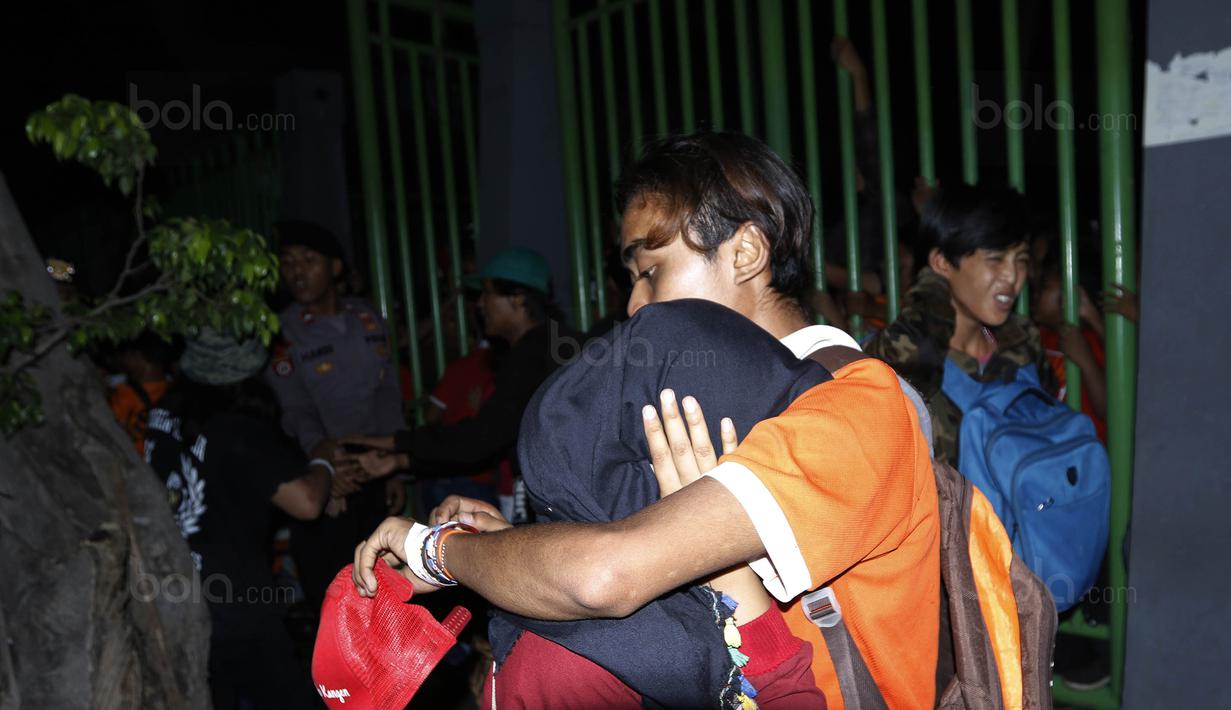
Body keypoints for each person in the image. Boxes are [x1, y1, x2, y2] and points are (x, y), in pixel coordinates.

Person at [353, 131, 941, 708]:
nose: (635, 305)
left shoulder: (852, 408)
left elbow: (607, 576)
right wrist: (511, 548)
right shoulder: (727, 403)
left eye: (651, 269)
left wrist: (438, 550)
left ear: (745, 252)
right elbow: (655, 580)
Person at [144, 330, 330, 709]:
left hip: (170, 589)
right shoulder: (237, 427)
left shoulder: (163, 411)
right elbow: (307, 501)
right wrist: (324, 462)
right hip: (236, 602)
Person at [341, 247, 577, 525]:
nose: (479, 304)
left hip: (563, 498)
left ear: (518, 298)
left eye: (487, 293)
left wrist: (396, 444)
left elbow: (481, 437)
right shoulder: (551, 344)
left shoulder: (532, 356)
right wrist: (400, 457)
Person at [862, 183, 1058, 465]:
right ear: (941, 263)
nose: (1013, 276)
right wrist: (932, 281)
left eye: (1021, 260)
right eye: (995, 259)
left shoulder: (1021, 338)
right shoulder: (908, 352)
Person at [264, 220, 404, 610]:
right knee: (332, 599)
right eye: (289, 262)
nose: (297, 271)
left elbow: (386, 391)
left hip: (372, 471)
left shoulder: (367, 318)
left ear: (336, 268)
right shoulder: (281, 332)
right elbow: (295, 411)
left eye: (309, 260)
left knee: (383, 596)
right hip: (323, 480)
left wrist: (395, 469)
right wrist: (324, 469)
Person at [108, 332, 175, 454]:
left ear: (139, 358)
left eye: (127, 355)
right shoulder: (176, 393)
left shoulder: (122, 395)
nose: (124, 360)